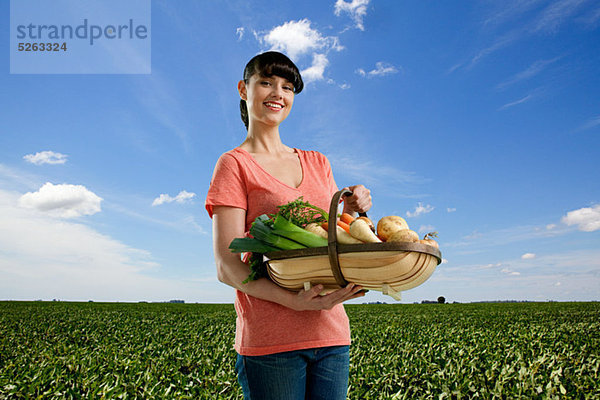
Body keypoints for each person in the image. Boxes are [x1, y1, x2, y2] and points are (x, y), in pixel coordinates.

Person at [205, 51, 372, 400]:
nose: (277, 93)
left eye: (287, 86)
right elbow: (227, 266)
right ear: (243, 89)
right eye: (265, 82)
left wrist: (356, 209)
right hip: (271, 342)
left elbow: (335, 239)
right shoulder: (234, 165)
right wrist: (294, 302)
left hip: (332, 334)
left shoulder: (317, 162)